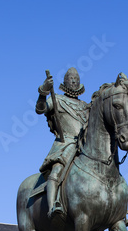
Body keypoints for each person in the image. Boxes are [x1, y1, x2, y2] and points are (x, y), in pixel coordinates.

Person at [35, 67, 89, 218]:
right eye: (71, 79)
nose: (73, 81)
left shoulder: (86, 106)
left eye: (76, 79)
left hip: (84, 146)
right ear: (65, 81)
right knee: (57, 170)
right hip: (65, 144)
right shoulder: (57, 99)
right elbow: (41, 109)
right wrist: (43, 92)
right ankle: (53, 207)